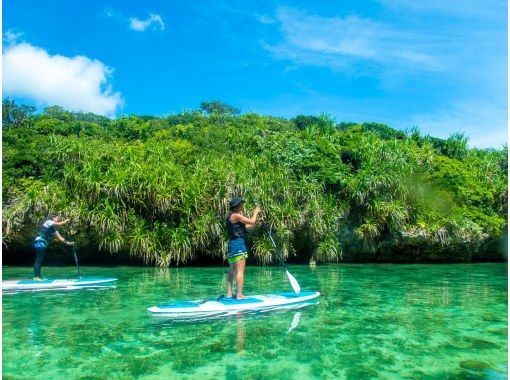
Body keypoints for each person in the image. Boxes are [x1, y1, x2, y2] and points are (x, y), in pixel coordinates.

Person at [226, 197, 261, 299]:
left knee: (232, 270)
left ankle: (229, 293)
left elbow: (244, 228)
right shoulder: (236, 215)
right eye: (241, 205)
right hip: (238, 245)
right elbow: (252, 221)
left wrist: (257, 222)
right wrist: (256, 212)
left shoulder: (230, 216)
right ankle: (239, 294)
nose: (242, 206)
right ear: (236, 207)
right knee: (240, 271)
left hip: (232, 245)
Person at [33, 215, 74, 280]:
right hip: (39, 241)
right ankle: (36, 277)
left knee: (40, 259)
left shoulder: (54, 230)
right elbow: (58, 224)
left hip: (43, 243)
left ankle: (38, 276)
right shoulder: (48, 222)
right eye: (57, 218)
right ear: (53, 218)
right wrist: (66, 221)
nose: (58, 219)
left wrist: (68, 243)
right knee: (39, 259)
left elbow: (60, 238)